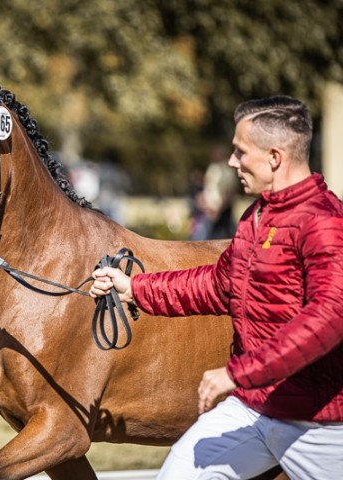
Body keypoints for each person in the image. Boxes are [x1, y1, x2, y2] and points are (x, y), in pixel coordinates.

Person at [90, 96, 343, 479]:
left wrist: (238, 374)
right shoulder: (256, 216)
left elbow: (328, 319)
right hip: (252, 409)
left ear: (275, 157)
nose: (231, 162)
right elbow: (216, 283)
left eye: (240, 152)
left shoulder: (323, 222)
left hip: (319, 425)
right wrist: (134, 288)